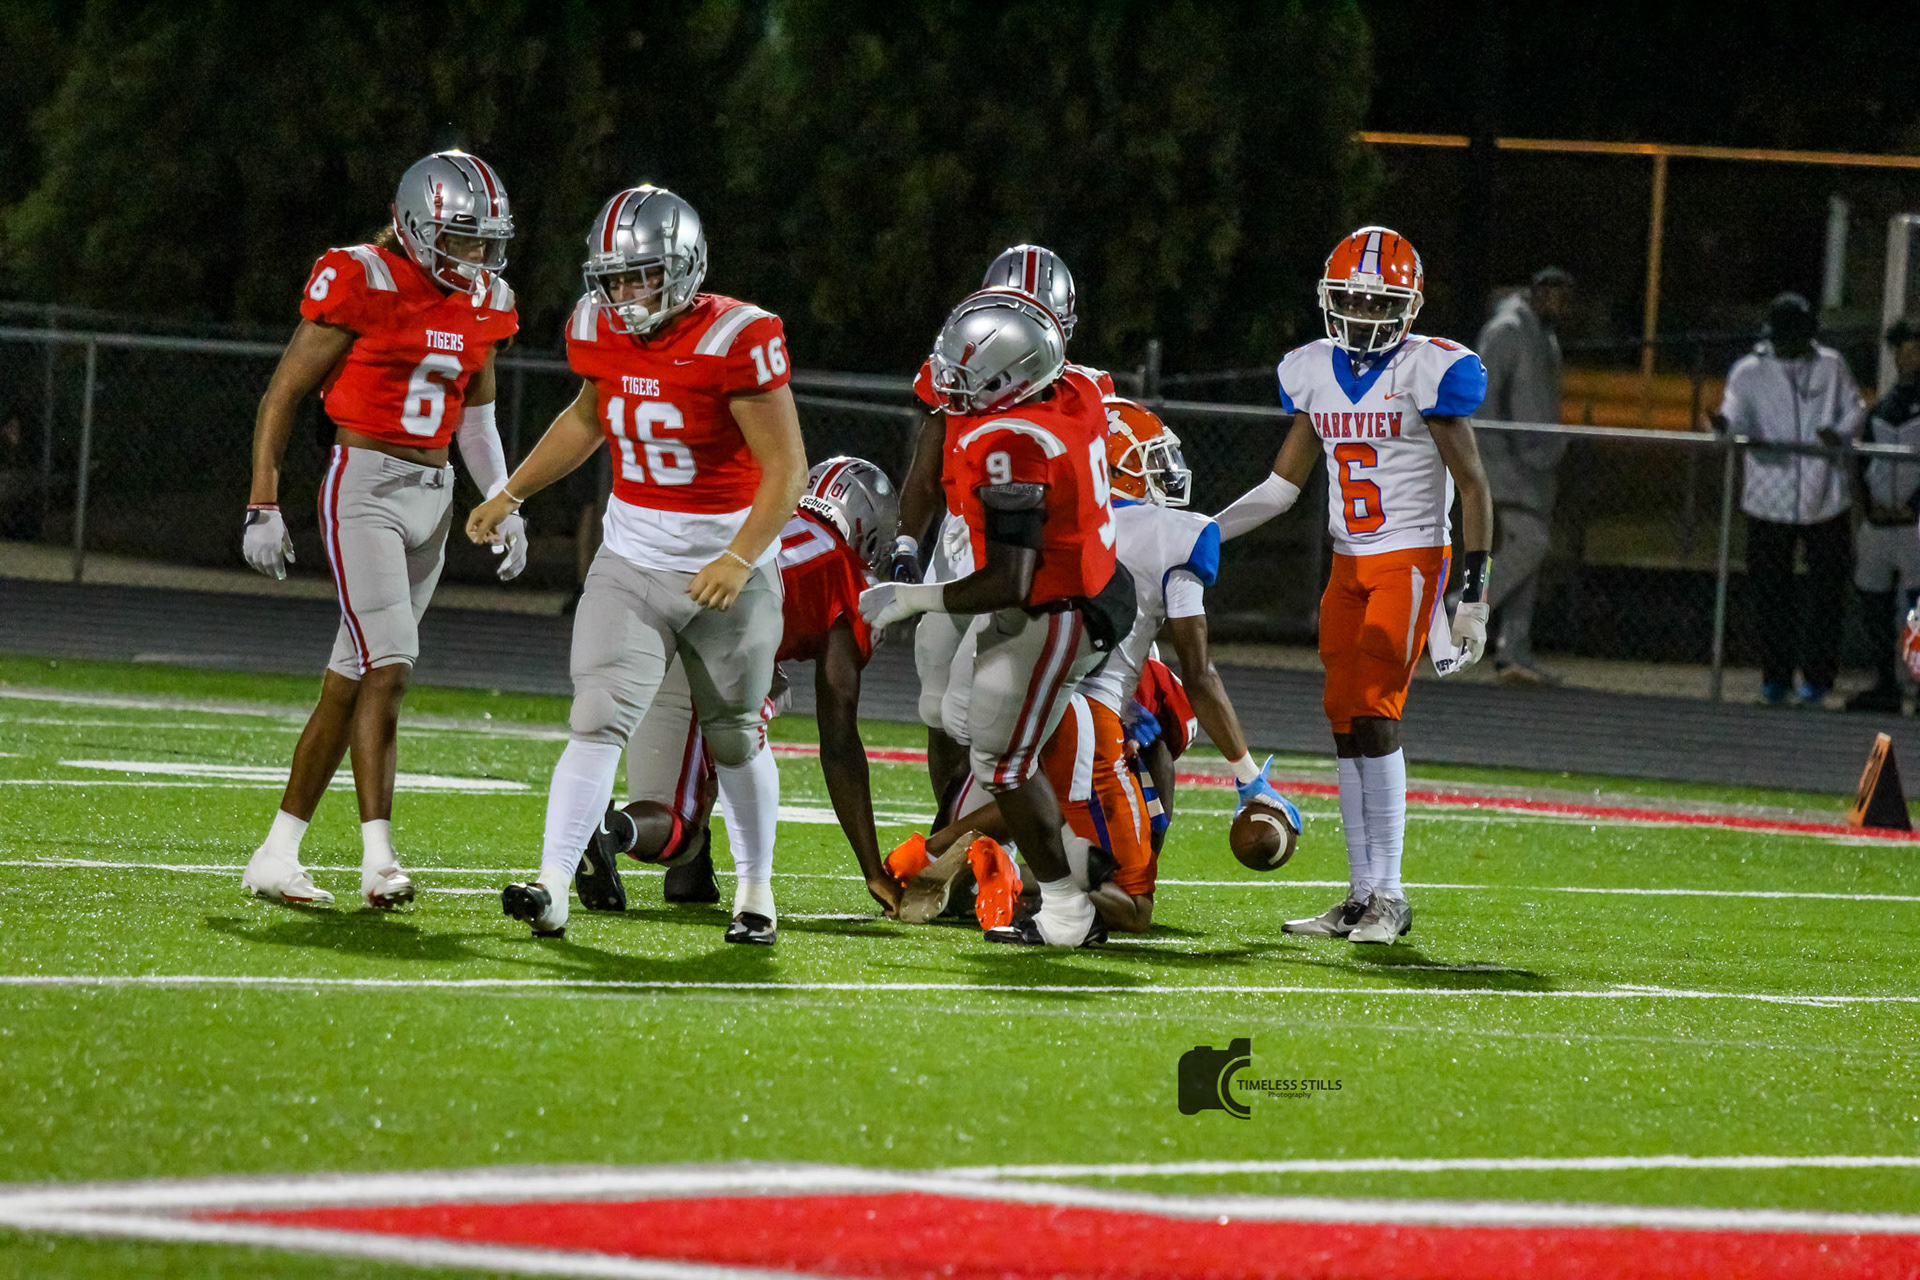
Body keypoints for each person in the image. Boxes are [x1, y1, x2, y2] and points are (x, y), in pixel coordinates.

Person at [471, 185, 806, 944]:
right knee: (595, 720)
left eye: (641, 276)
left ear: (684, 267)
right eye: (614, 280)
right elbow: (588, 417)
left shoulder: (737, 336)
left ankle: (756, 892)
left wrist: (738, 558)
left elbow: (788, 470)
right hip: (631, 561)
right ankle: (553, 885)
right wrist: (512, 491)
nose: (624, 295)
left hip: (727, 569)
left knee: (735, 736)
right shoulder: (597, 327)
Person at [887, 398, 1298, 934]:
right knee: (1133, 903)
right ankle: (1050, 873)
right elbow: (1200, 676)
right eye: (1149, 459)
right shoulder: (1176, 533)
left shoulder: (1045, 516)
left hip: (1002, 692)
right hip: (1085, 711)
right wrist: (1249, 780)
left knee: (1015, 791)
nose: (1163, 473)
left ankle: (934, 850)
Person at [239, 150, 523, 909]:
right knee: (391, 664)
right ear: (418, 225)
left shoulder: (488, 301)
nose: (477, 254)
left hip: (436, 496)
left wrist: (505, 500)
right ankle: (379, 861)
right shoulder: (362, 276)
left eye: (486, 239)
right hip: (364, 486)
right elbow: (282, 394)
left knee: (350, 680)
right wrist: (264, 501)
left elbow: (477, 421)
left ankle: (276, 854)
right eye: (462, 236)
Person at [1211, 226, 1492, 945]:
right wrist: (1203, 532)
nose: (1366, 312)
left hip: (1410, 555)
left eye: (1381, 300)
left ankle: (1391, 895)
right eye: (1355, 298)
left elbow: (1473, 486)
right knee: (1343, 714)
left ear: (1410, 306)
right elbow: (1280, 489)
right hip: (1348, 560)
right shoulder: (1312, 370)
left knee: (1374, 707)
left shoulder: (1428, 369)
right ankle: (1361, 893)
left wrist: (1474, 594)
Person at [859, 289, 1135, 948]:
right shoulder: (1077, 389)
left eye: (972, 375)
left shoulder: (1010, 442)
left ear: (1015, 378)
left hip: (1056, 608)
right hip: (1071, 587)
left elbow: (1012, 577)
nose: (952, 386)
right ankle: (1063, 861)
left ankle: (1066, 908)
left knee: (1004, 761)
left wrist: (913, 598)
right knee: (969, 725)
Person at [570, 455, 903, 917]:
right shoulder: (845, 574)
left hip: (647, 610)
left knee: (760, 689)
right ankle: (615, 832)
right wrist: (872, 868)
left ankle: (690, 869)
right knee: (680, 823)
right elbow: (839, 740)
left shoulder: (769, 512)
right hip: (710, 639)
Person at [890, 246, 1111, 825]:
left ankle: (982, 846)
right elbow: (928, 461)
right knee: (938, 700)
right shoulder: (957, 370)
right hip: (963, 538)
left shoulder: (1079, 393)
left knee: (988, 711)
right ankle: (955, 834)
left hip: (1025, 553)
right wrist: (907, 542)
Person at [1717, 292, 1864, 706]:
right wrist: (1725, 427)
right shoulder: (1748, 372)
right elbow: (1734, 415)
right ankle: (1775, 679)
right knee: (1771, 594)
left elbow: (1855, 408)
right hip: (1768, 499)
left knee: (1826, 594)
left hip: (1825, 497)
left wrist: (1841, 434)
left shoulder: (1832, 366)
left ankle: (1817, 680)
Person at [1475, 266, 1571, 686]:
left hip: (1534, 464)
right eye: (1557, 297)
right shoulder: (1507, 330)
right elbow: (1480, 399)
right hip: (1503, 462)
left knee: (1527, 560)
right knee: (1531, 543)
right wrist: (1495, 456)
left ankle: (1513, 652)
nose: (1563, 308)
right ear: (1539, 293)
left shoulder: (1544, 336)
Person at [1845, 318, 1920, 713]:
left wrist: (1915, 506)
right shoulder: (1884, 407)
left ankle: (1917, 684)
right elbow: (1862, 464)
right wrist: (1865, 508)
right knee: (1873, 599)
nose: (1908, 359)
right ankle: (1886, 684)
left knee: (1916, 610)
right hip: (1879, 522)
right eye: (1902, 351)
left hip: (1914, 524)